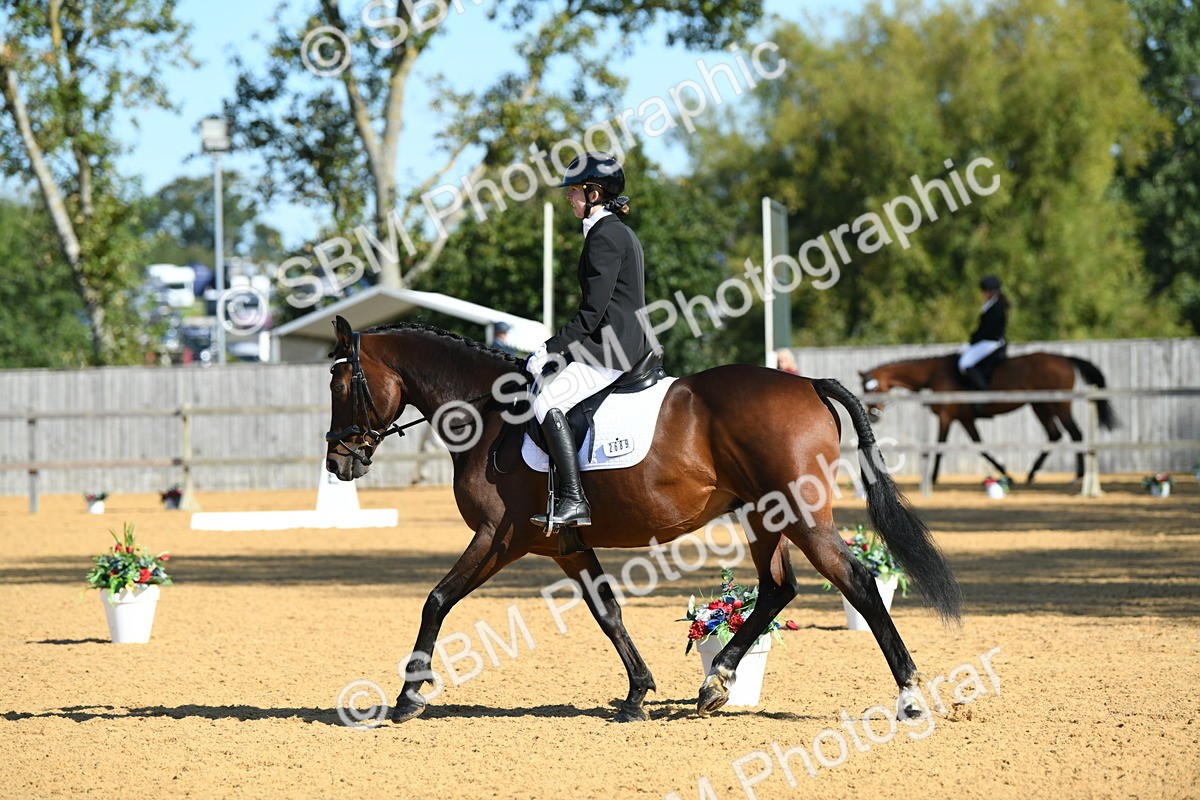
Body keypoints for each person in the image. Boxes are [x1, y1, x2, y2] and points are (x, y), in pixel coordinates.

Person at [525, 151, 656, 546]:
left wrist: (549, 350)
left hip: (611, 348)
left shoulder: (604, 237)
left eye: (574, 191)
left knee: (547, 401)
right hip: (619, 341)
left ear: (594, 193)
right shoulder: (613, 231)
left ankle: (573, 500)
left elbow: (592, 312)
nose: (569, 197)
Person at [958, 274, 1008, 394]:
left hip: (990, 342)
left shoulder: (997, 307)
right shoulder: (991, 304)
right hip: (987, 340)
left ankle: (984, 391)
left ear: (991, 291)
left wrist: (973, 341)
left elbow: (987, 329)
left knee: (964, 364)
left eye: (985, 291)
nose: (983, 294)